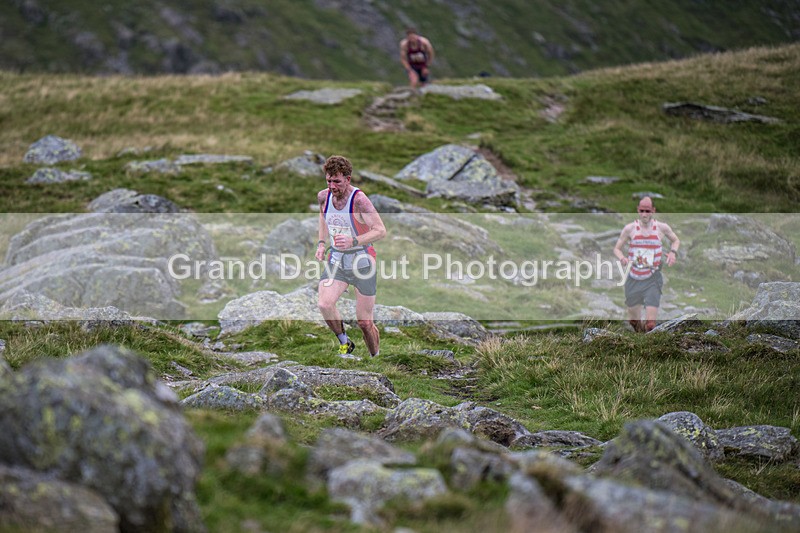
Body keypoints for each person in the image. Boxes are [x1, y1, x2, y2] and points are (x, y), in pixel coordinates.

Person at [316, 155, 387, 357]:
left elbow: (380, 231)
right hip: (337, 259)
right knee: (324, 304)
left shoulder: (359, 200)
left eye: (337, 181)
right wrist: (322, 244)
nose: (332, 186)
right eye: (329, 180)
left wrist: (353, 241)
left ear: (348, 179)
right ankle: (345, 342)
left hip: (362, 260)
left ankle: (375, 357)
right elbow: (322, 216)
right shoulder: (323, 196)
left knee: (364, 322)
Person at [613, 196, 680, 332]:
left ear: (653, 211)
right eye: (642, 210)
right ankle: (641, 339)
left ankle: (650, 339)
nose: (644, 214)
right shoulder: (630, 229)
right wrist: (622, 258)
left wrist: (673, 253)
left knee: (650, 324)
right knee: (634, 321)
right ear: (638, 210)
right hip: (633, 278)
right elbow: (617, 248)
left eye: (647, 211)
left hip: (652, 278)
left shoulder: (661, 228)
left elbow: (676, 240)